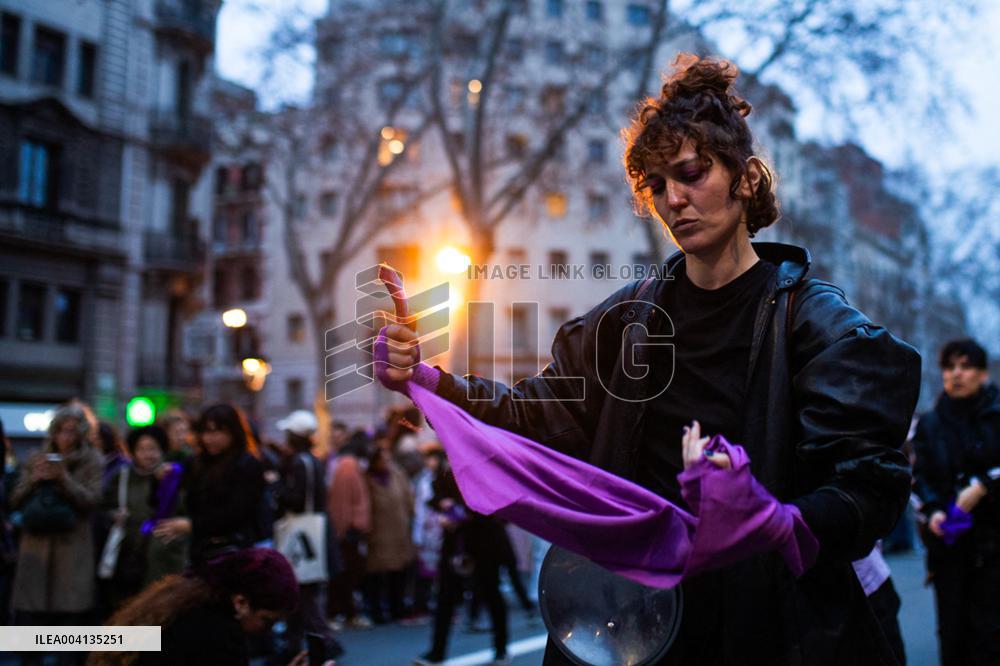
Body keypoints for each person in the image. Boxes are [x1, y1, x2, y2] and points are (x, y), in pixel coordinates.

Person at [382, 54, 920, 665]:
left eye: (691, 173)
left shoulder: (818, 325)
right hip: (635, 627)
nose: (674, 199)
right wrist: (425, 379)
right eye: (658, 185)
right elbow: (536, 414)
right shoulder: (624, 322)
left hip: (769, 628)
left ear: (746, 178)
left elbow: (869, 483)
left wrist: (774, 520)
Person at [912, 338, 1000, 665]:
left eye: (965, 366)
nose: (956, 374)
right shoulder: (931, 424)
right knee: (953, 637)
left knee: (991, 638)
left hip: (994, 546)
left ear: (982, 373)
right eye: (949, 367)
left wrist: (983, 487)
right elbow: (920, 478)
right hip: (950, 550)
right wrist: (933, 511)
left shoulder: (996, 417)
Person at [90, 548, 322, 665]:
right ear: (240, 602)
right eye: (267, 620)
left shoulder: (180, 602)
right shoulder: (219, 636)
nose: (268, 630)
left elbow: (98, 639)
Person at [9, 403, 103, 663]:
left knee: (69, 636)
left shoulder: (92, 460)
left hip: (72, 551)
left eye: (72, 431)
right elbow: (14, 500)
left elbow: (92, 500)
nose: (66, 437)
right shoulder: (36, 458)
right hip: (36, 550)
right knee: (30, 634)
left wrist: (64, 478)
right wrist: (34, 478)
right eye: (61, 430)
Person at [416, 458, 508, 666]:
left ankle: (501, 648)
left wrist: (462, 514)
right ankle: (437, 651)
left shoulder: (482, 461)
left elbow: (495, 501)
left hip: (484, 541)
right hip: (455, 544)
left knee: (491, 594)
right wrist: (443, 504)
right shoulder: (447, 464)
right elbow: (436, 493)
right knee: (445, 597)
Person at [274, 409, 343, 661]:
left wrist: (277, 489)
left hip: (302, 535)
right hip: (314, 533)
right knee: (302, 591)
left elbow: (297, 500)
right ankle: (297, 643)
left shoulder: (299, 462)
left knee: (303, 592)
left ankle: (323, 642)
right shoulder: (313, 460)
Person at [99, 425, 187, 610]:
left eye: (153, 448)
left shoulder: (174, 475)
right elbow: (102, 506)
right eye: (142, 449)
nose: (148, 455)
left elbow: (183, 510)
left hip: (161, 555)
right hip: (127, 554)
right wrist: (113, 516)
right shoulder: (122, 476)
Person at [184, 404, 266, 564]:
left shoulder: (247, 464)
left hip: (235, 554)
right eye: (205, 431)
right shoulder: (198, 464)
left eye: (217, 431)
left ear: (233, 432)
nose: (209, 439)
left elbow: (237, 512)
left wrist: (193, 526)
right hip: (201, 552)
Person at [326, 429, 372, 628]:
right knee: (344, 573)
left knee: (348, 573)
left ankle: (346, 612)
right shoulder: (348, 466)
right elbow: (342, 503)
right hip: (348, 530)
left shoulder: (347, 465)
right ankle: (339, 613)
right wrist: (343, 529)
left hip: (350, 529)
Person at [363, 446, 414, 624]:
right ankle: (377, 610)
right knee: (377, 573)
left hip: (399, 529)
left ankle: (396, 607)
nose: (386, 463)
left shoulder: (398, 475)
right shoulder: (367, 480)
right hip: (378, 531)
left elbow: (409, 499)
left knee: (398, 571)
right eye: (383, 459)